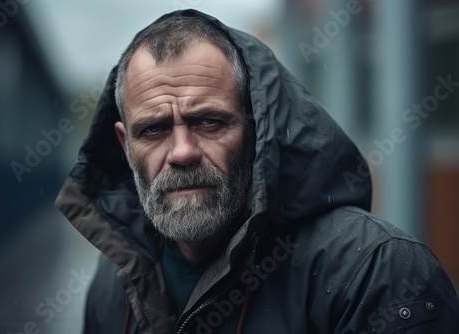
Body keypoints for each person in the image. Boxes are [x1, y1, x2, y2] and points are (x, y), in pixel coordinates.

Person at [55, 9, 459, 334]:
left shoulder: (375, 273)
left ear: (256, 128)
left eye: (209, 122)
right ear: (127, 147)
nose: (181, 152)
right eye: (154, 129)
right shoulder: (116, 280)